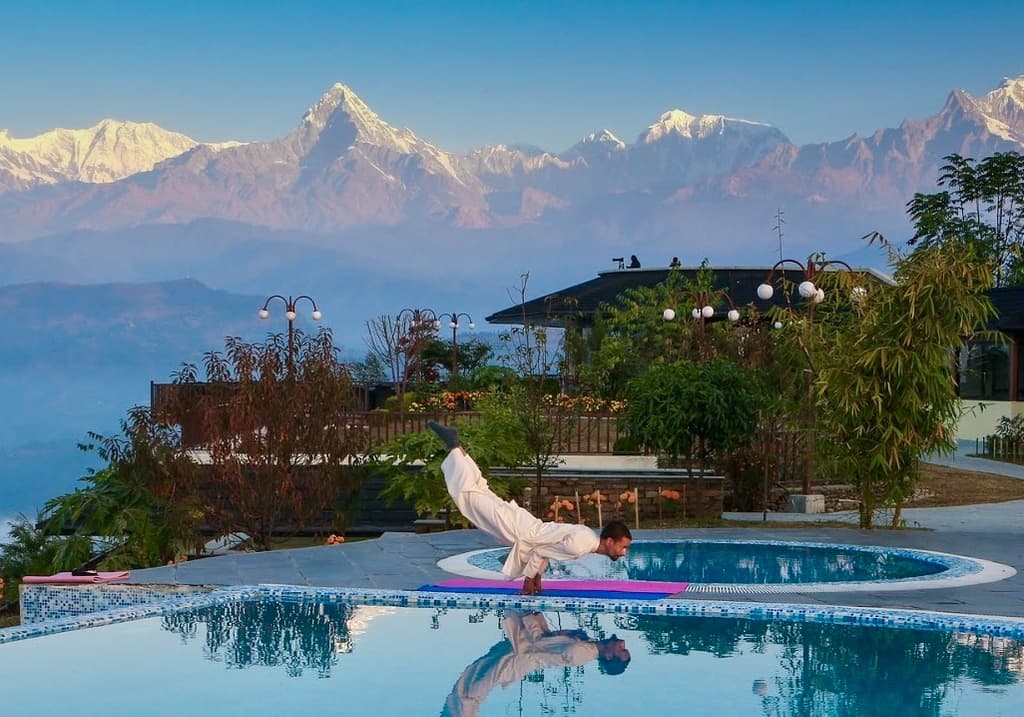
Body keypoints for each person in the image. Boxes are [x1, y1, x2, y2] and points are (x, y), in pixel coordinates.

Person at [427, 421, 632, 595]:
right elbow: (540, 551)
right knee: (471, 497)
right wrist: (528, 582)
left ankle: (454, 445)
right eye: (623, 547)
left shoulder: (586, 537)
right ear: (609, 541)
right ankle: (453, 444)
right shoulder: (581, 545)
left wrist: (537, 580)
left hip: (522, 524)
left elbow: (545, 549)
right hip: (516, 528)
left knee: (479, 490)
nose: (623, 552)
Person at [441, 609, 630, 717]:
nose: (622, 643)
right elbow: (548, 639)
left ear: (608, 657)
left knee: (474, 691)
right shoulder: (587, 643)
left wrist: (534, 617)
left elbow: (541, 641)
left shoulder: (581, 653)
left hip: (519, 660)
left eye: (621, 650)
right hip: (518, 653)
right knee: (472, 681)